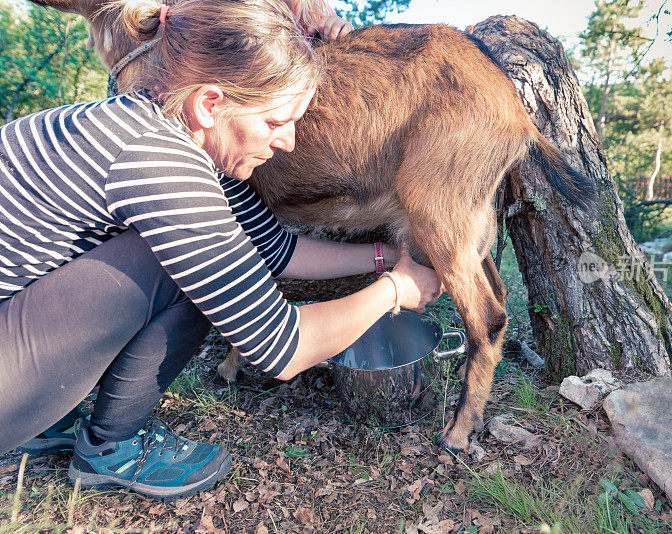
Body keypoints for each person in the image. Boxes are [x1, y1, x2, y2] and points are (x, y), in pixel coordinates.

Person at [0, 0, 442, 500]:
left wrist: (385, 257)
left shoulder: (166, 129)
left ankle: (53, 418)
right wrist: (396, 290)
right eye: (276, 121)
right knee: (180, 265)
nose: (289, 143)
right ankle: (112, 448)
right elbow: (283, 348)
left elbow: (276, 251)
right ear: (211, 102)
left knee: (213, 256)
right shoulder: (158, 162)